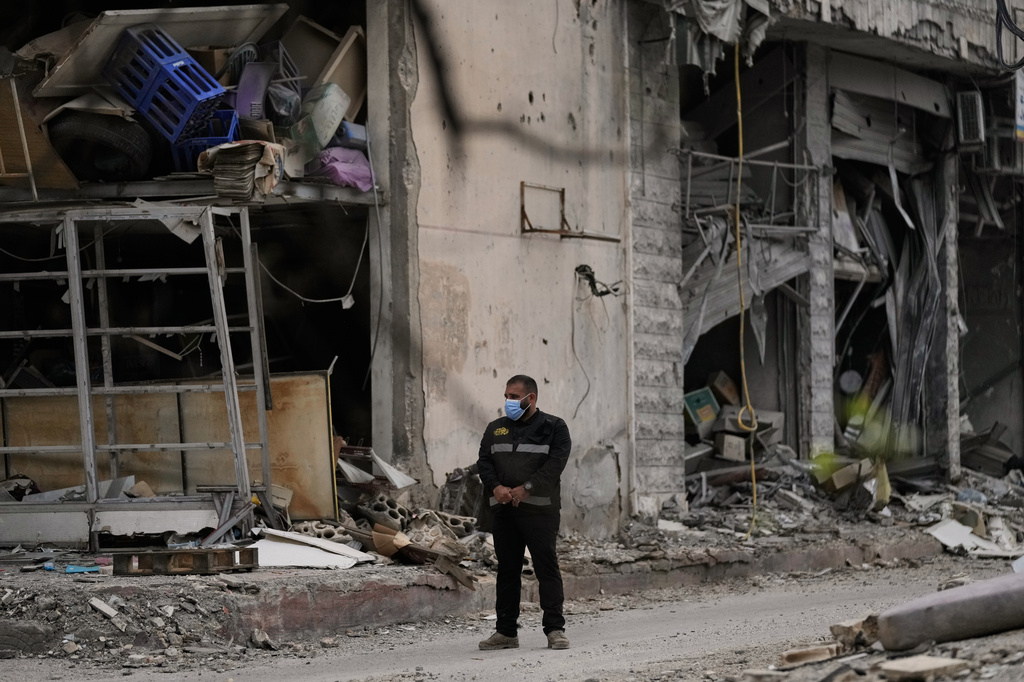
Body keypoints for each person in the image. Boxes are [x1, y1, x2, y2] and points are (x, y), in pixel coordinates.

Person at [475, 374, 572, 651]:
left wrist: (526, 488)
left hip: (540, 513)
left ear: (531, 398)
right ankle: (506, 632)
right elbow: (484, 462)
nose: (509, 402)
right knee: (507, 570)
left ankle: (555, 630)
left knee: (546, 568)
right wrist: (496, 488)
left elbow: (555, 465)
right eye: (506, 396)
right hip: (504, 511)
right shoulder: (496, 428)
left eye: (514, 397)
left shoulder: (554, 427)